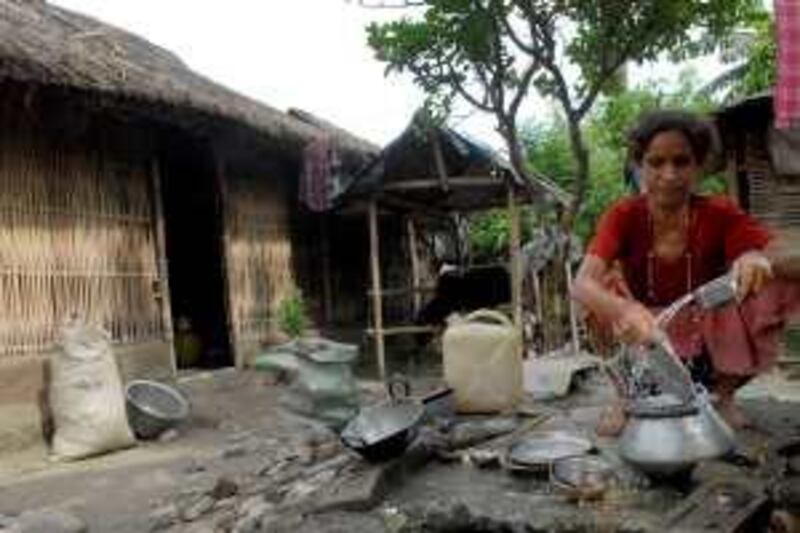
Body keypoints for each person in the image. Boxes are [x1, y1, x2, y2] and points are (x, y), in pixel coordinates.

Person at [571, 109, 800, 434]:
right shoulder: (623, 214)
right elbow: (581, 283)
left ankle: (722, 397)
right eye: (656, 162)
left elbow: (781, 253)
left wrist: (758, 258)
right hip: (641, 326)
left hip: (704, 320)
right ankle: (625, 397)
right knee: (597, 295)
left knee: (769, 280)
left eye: (681, 162)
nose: (669, 174)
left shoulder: (719, 212)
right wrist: (624, 308)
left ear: (699, 166)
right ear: (640, 165)